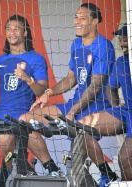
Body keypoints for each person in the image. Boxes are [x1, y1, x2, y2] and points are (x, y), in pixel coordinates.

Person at [20, 3, 119, 186]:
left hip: (97, 106)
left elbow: (95, 86)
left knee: (79, 137)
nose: (77, 21)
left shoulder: (103, 46)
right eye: (76, 17)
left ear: (95, 21)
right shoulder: (76, 44)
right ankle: (52, 169)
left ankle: (108, 175)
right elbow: (71, 78)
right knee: (25, 120)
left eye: (83, 17)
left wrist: (73, 111)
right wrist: (48, 93)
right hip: (74, 104)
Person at [0, 14, 60, 175]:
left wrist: (28, 79)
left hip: (21, 117)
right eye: (8, 29)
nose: (12, 32)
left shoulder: (36, 59)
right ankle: (19, 175)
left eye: (16, 29)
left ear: (25, 33)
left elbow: (42, 91)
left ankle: (19, 177)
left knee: (6, 139)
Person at [106, 24, 132, 181]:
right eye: (121, 39)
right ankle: (105, 175)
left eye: (126, 39)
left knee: (125, 159)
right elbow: (110, 88)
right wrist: (117, 110)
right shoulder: (121, 61)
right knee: (125, 160)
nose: (122, 43)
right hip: (128, 114)